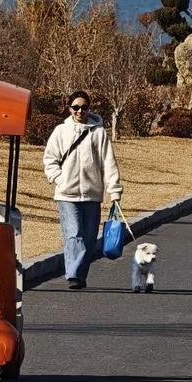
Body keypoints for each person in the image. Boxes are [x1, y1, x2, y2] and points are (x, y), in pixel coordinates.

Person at [42, 91, 123, 291]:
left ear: (89, 108)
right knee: (74, 234)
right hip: (66, 194)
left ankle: (80, 273)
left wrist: (114, 191)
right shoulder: (61, 131)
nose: (80, 111)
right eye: (75, 107)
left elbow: (108, 163)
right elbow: (50, 159)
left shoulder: (98, 133)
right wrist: (59, 179)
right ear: (69, 108)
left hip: (92, 194)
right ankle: (74, 275)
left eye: (84, 107)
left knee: (88, 237)